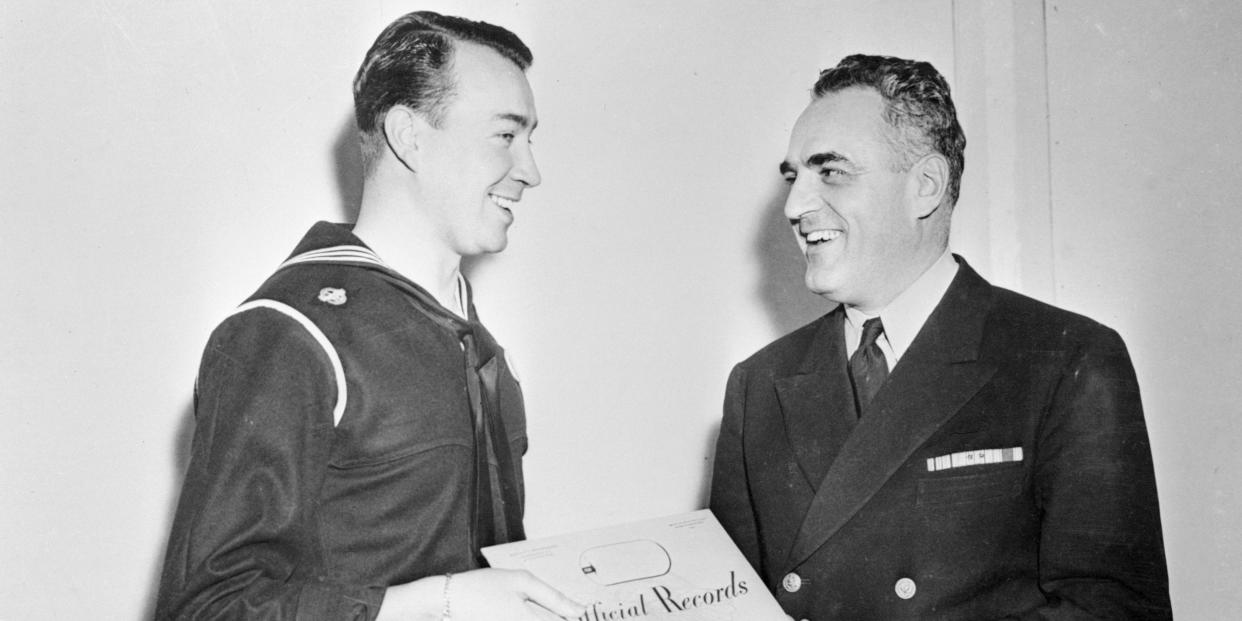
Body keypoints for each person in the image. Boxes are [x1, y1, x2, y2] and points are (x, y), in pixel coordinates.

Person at [709, 54, 1172, 619]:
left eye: (829, 170)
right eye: (794, 177)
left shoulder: (1069, 360)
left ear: (925, 185)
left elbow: (1113, 611)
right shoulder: (759, 384)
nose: (795, 206)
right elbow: (725, 605)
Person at [155, 12, 584, 621]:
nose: (530, 171)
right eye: (506, 136)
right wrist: (438, 604)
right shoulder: (286, 333)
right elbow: (205, 610)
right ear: (409, 135)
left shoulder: (471, 337)